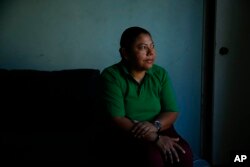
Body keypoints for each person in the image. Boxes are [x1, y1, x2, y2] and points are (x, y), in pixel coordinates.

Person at [100, 26, 193, 167]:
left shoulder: (160, 74)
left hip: (159, 125)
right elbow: (117, 118)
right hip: (130, 132)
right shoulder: (111, 76)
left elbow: (172, 110)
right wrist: (156, 139)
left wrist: (155, 127)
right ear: (125, 53)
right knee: (153, 158)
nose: (151, 52)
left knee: (184, 154)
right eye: (143, 47)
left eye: (152, 46)